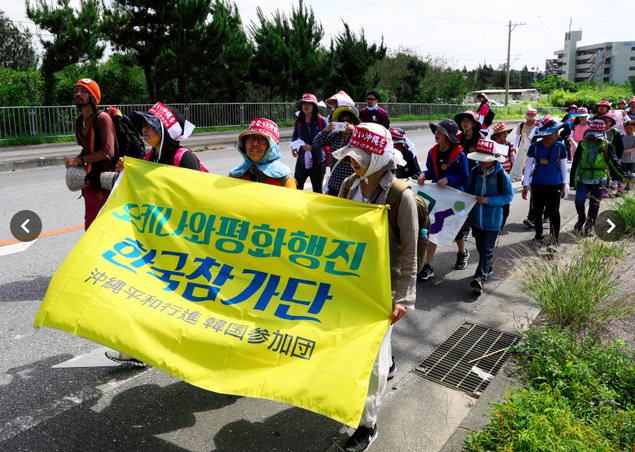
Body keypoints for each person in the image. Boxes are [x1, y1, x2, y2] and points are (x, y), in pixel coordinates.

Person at [334, 122, 416, 452]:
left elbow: (410, 251)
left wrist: (403, 297)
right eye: (352, 157)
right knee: (349, 349)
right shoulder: (349, 185)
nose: (353, 162)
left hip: (382, 290)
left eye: (361, 157)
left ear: (380, 158)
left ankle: (368, 425)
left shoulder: (400, 195)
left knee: (372, 364)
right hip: (350, 283)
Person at [416, 119, 470, 280]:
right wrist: (424, 174)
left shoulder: (460, 155)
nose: (436, 134)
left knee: (457, 230)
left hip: (455, 198)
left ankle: (462, 252)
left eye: (440, 132)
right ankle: (428, 265)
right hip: (438, 198)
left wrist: (449, 180)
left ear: (448, 136)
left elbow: (465, 176)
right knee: (433, 228)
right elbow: (431, 172)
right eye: (436, 131)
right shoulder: (433, 152)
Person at [65, 78, 116, 231]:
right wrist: (75, 160)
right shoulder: (79, 121)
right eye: (76, 91)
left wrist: (80, 160)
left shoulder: (102, 119)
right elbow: (87, 148)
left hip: (107, 181)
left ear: (93, 96)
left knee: (105, 228)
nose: (78, 94)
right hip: (91, 180)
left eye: (83, 91)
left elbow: (107, 151)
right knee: (91, 226)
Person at [464, 139, 514, 294]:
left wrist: (488, 200)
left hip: (493, 220)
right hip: (476, 220)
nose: (480, 162)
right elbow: (468, 192)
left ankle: (479, 278)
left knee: (486, 249)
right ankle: (488, 267)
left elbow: (508, 196)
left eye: (484, 159)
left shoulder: (502, 176)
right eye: (479, 158)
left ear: (493, 159)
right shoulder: (474, 172)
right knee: (481, 248)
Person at [570, 119, 625, 234]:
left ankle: (590, 225)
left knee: (594, 203)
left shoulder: (607, 145)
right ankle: (581, 218)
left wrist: (622, 175)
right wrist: (572, 180)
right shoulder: (582, 144)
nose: (595, 138)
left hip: (600, 178)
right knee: (579, 201)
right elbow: (575, 162)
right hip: (583, 177)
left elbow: (614, 162)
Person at [522, 119, 567, 252]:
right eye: (554, 131)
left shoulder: (560, 147)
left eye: (557, 131)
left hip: (555, 185)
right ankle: (538, 234)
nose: (557, 134)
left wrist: (564, 184)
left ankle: (554, 240)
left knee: (554, 213)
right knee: (537, 211)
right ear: (546, 133)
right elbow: (528, 167)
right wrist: (525, 185)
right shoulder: (534, 147)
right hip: (537, 184)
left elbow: (563, 167)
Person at [130, 102, 201, 170]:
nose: (144, 129)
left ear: (164, 131)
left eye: (149, 125)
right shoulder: (149, 157)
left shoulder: (185, 159)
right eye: (143, 125)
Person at [229, 118, 296, 188]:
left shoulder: (284, 178)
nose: (255, 143)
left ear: (271, 147)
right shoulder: (235, 175)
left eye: (262, 140)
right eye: (251, 138)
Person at [313, 105, 361, 196]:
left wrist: (354, 130)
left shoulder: (358, 136)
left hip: (352, 184)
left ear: (354, 122)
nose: (345, 124)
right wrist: (326, 130)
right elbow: (316, 143)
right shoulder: (334, 135)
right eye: (342, 121)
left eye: (348, 121)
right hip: (334, 183)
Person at [291, 93, 328, 192]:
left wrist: (312, 147)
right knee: (297, 187)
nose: (306, 106)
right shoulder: (299, 120)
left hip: (318, 161)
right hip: (302, 160)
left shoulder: (322, 121)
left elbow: (327, 140)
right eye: (304, 103)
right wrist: (293, 146)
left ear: (314, 106)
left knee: (317, 191)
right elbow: (295, 135)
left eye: (309, 104)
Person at [490, 122, 516, 227]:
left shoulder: (509, 144)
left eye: (506, 132)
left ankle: (502, 222)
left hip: (506, 175)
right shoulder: (491, 145)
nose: (505, 135)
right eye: (503, 133)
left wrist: (517, 171)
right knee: (495, 197)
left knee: (505, 199)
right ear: (496, 135)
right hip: (493, 176)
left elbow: (513, 157)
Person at [621, 120, 635, 188]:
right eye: (627, 128)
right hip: (622, 159)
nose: (628, 130)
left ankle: (628, 185)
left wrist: (623, 151)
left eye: (631, 128)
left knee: (630, 173)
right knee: (622, 173)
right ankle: (621, 186)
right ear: (624, 128)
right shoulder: (622, 136)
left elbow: (634, 148)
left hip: (632, 160)